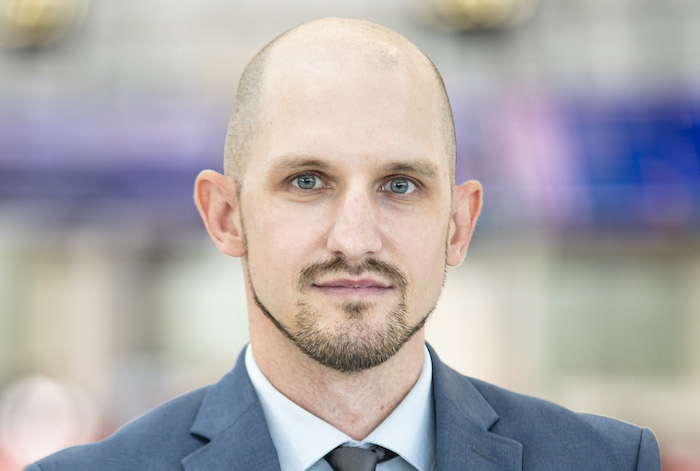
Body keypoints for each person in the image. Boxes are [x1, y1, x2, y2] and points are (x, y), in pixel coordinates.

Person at [26, 17, 661, 471]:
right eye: (307, 181)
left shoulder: (608, 462)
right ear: (225, 216)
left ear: (458, 225)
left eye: (400, 185)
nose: (355, 238)